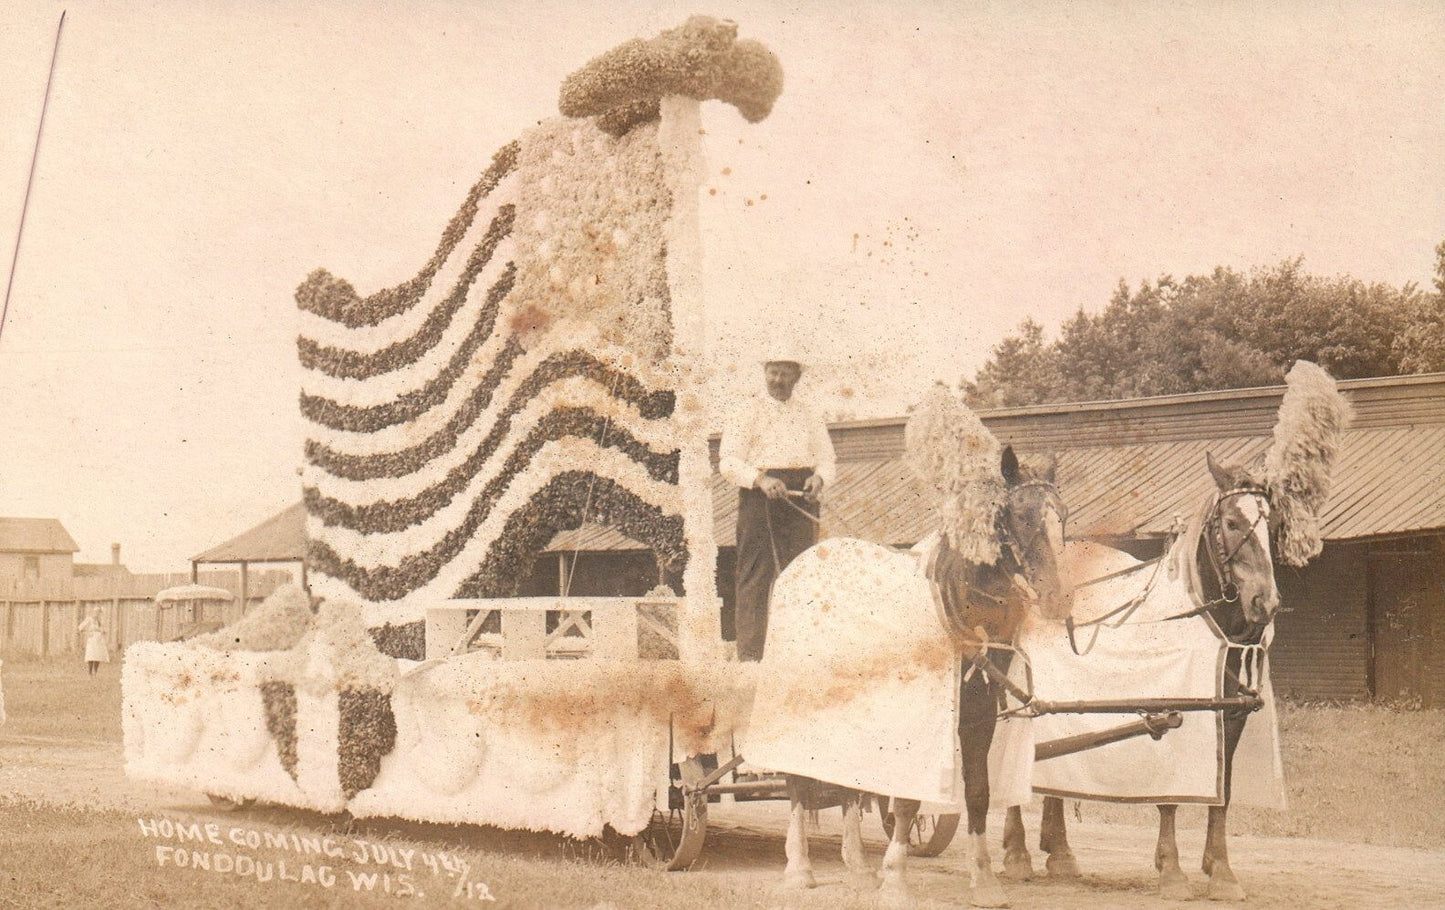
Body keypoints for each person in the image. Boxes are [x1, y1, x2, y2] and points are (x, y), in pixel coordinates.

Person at [719, 352, 836, 661]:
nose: (778, 380)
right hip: (760, 495)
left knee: (803, 574)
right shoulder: (747, 411)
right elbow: (728, 461)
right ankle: (750, 658)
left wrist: (819, 478)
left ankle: (799, 656)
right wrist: (759, 479)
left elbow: (827, 458)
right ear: (764, 373)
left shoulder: (810, 414)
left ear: (797, 377)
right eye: (773, 372)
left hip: (801, 494)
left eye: (785, 373)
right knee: (755, 575)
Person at [78, 606, 109, 676]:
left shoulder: (100, 621)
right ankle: (90, 672)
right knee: (91, 655)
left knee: (98, 656)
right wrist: (87, 632)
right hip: (92, 640)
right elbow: (80, 627)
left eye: (99, 612)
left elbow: (104, 630)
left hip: (99, 640)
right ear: (93, 612)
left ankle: (95, 672)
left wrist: (102, 631)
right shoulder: (89, 619)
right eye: (96, 612)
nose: (97, 614)